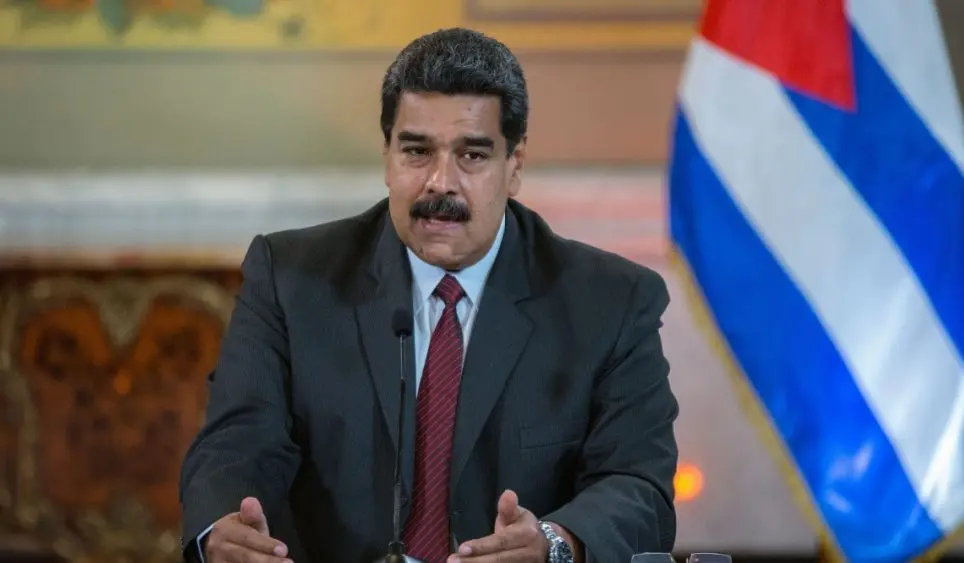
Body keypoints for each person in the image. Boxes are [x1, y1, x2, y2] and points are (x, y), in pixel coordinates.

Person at [179, 27, 679, 563]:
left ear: (514, 165)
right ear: (388, 156)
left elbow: (638, 486)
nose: (441, 182)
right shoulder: (291, 278)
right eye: (417, 151)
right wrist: (222, 528)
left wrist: (555, 545)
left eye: (472, 156)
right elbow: (237, 442)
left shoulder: (609, 301)